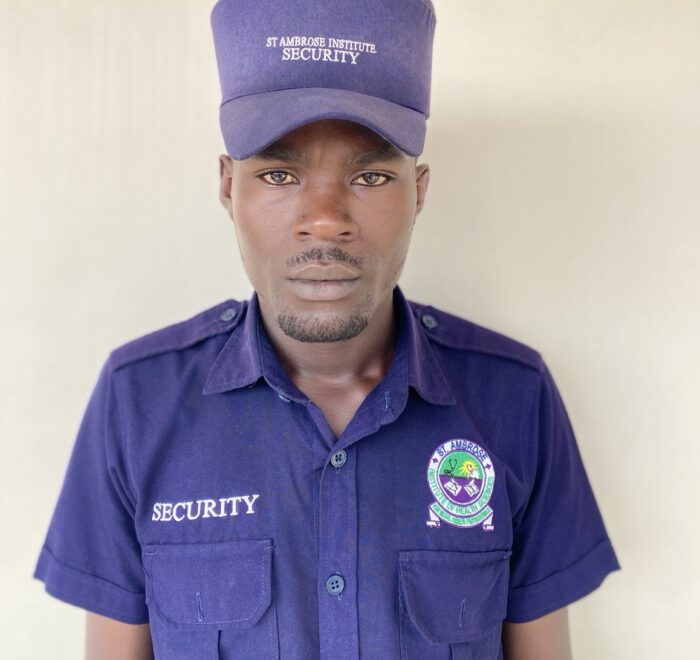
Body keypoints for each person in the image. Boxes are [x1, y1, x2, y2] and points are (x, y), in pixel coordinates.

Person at [34, 1, 620, 658]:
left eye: (370, 176)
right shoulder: (137, 401)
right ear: (228, 187)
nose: (324, 219)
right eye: (278, 174)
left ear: (418, 191)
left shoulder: (514, 396)